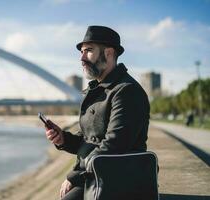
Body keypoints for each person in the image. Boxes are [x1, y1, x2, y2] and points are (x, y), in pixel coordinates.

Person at [45, 25, 150, 200]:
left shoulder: (127, 91)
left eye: (88, 51)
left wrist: (75, 177)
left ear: (108, 53)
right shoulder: (97, 90)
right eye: (81, 52)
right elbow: (90, 139)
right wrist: (63, 139)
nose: (82, 58)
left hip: (119, 180)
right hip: (98, 174)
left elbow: (114, 145)